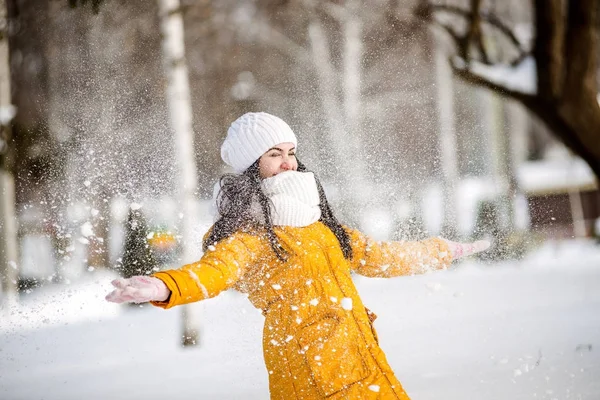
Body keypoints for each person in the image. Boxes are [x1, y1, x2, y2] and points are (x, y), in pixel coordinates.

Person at [106, 112, 489, 399]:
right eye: (275, 154)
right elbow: (214, 272)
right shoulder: (252, 235)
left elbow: (379, 257)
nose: (288, 162)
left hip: (358, 354)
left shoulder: (319, 225)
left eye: (291, 152)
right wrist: (162, 286)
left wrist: (443, 250)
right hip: (311, 367)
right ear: (250, 167)